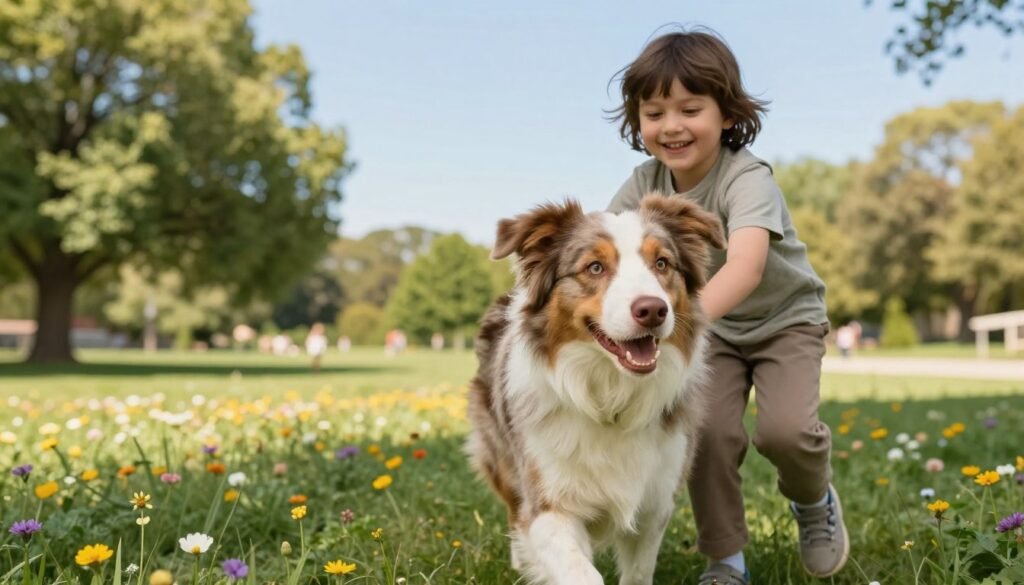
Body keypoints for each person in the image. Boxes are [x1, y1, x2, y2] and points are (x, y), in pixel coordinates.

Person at [606, 28, 845, 584]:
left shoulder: (746, 176)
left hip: (785, 322)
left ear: (727, 114)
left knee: (786, 433)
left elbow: (746, 266)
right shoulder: (642, 184)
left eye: (690, 108)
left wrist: (676, 322)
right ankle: (725, 559)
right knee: (705, 433)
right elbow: (606, 249)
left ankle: (813, 504)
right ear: (637, 122)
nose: (671, 126)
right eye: (654, 112)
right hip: (711, 338)